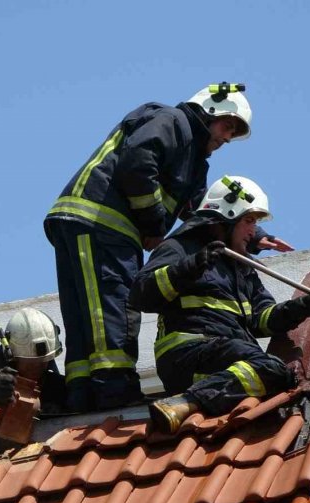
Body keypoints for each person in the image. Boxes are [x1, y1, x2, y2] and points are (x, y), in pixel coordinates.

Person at [44, 83, 255, 411]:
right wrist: (155, 224)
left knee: (85, 316)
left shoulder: (194, 159)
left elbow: (204, 214)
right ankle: (114, 389)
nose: (227, 138)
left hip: (85, 222)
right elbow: (139, 163)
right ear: (210, 111)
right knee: (113, 305)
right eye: (228, 126)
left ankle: (81, 394)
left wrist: (251, 237)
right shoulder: (172, 121)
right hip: (103, 223)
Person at [128, 175, 310, 432]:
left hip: (224, 352)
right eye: (249, 221)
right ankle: (185, 402)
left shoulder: (242, 266)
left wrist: (295, 310)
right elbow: (141, 294)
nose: (254, 231)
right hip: (185, 355)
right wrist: (188, 268)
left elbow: (260, 320)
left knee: (278, 372)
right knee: (272, 369)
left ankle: (189, 403)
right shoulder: (179, 248)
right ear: (227, 218)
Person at [0, 308, 66, 416]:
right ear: (13, 356)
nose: (37, 367)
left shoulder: (58, 385)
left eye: (43, 361)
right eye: (31, 363)